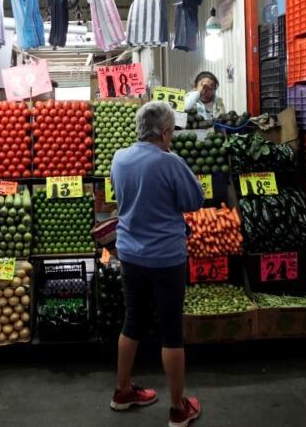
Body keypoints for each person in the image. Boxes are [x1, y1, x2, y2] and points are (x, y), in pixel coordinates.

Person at [109, 101, 205, 427]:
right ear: (165, 132)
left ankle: (122, 391)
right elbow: (194, 200)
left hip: (130, 254)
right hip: (165, 258)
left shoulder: (119, 158)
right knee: (170, 331)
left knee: (132, 321)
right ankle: (179, 409)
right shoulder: (170, 162)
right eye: (171, 133)